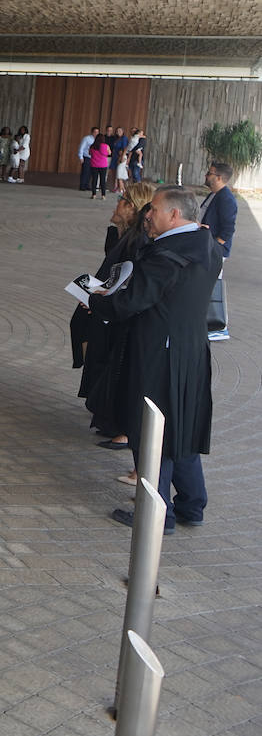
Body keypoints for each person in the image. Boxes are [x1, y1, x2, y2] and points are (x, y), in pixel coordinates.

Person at [93, 187, 221, 535]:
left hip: (158, 354)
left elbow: (130, 302)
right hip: (191, 350)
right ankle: (192, 505)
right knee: (182, 425)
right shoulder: (206, 245)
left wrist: (96, 301)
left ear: (175, 216)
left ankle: (156, 514)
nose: (148, 214)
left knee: (152, 430)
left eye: (155, 210)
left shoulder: (167, 257)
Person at [75, 182, 155, 462]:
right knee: (83, 331)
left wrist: (99, 298)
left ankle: (116, 423)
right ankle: (101, 405)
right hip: (106, 302)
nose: (116, 203)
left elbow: (126, 279)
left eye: (121, 200)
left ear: (132, 207)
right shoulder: (122, 235)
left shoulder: (137, 241)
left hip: (117, 310)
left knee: (105, 355)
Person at [201, 161, 238, 341]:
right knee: (208, 285)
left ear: (219, 178)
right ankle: (211, 323)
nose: (207, 175)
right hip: (209, 248)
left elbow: (228, 229)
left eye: (210, 173)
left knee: (214, 286)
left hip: (215, 251)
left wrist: (215, 247)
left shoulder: (226, 198)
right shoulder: (214, 195)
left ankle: (219, 326)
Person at [87, 133, 111, 199]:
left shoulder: (92, 146)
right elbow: (109, 153)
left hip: (94, 165)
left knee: (94, 179)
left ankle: (94, 194)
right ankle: (103, 195)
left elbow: (89, 153)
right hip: (103, 165)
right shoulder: (106, 146)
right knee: (102, 180)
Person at [77, 126, 99, 191]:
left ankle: (87, 185)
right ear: (92, 132)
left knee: (90, 172)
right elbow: (81, 148)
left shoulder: (98, 140)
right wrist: (80, 157)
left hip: (94, 158)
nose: (96, 133)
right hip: (86, 157)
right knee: (85, 172)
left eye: (97, 132)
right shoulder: (87, 138)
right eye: (95, 132)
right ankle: (82, 186)